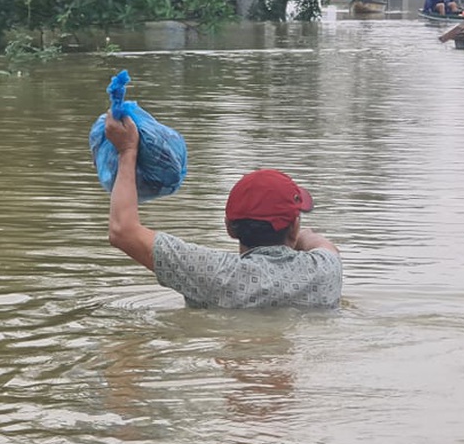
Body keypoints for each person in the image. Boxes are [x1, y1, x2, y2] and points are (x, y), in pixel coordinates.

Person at [102, 113, 342, 311]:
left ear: (229, 227)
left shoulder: (212, 272)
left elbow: (122, 230)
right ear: (295, 226)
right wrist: (298, 233)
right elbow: (324, 245)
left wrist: (128, 151)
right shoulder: (324, 270)